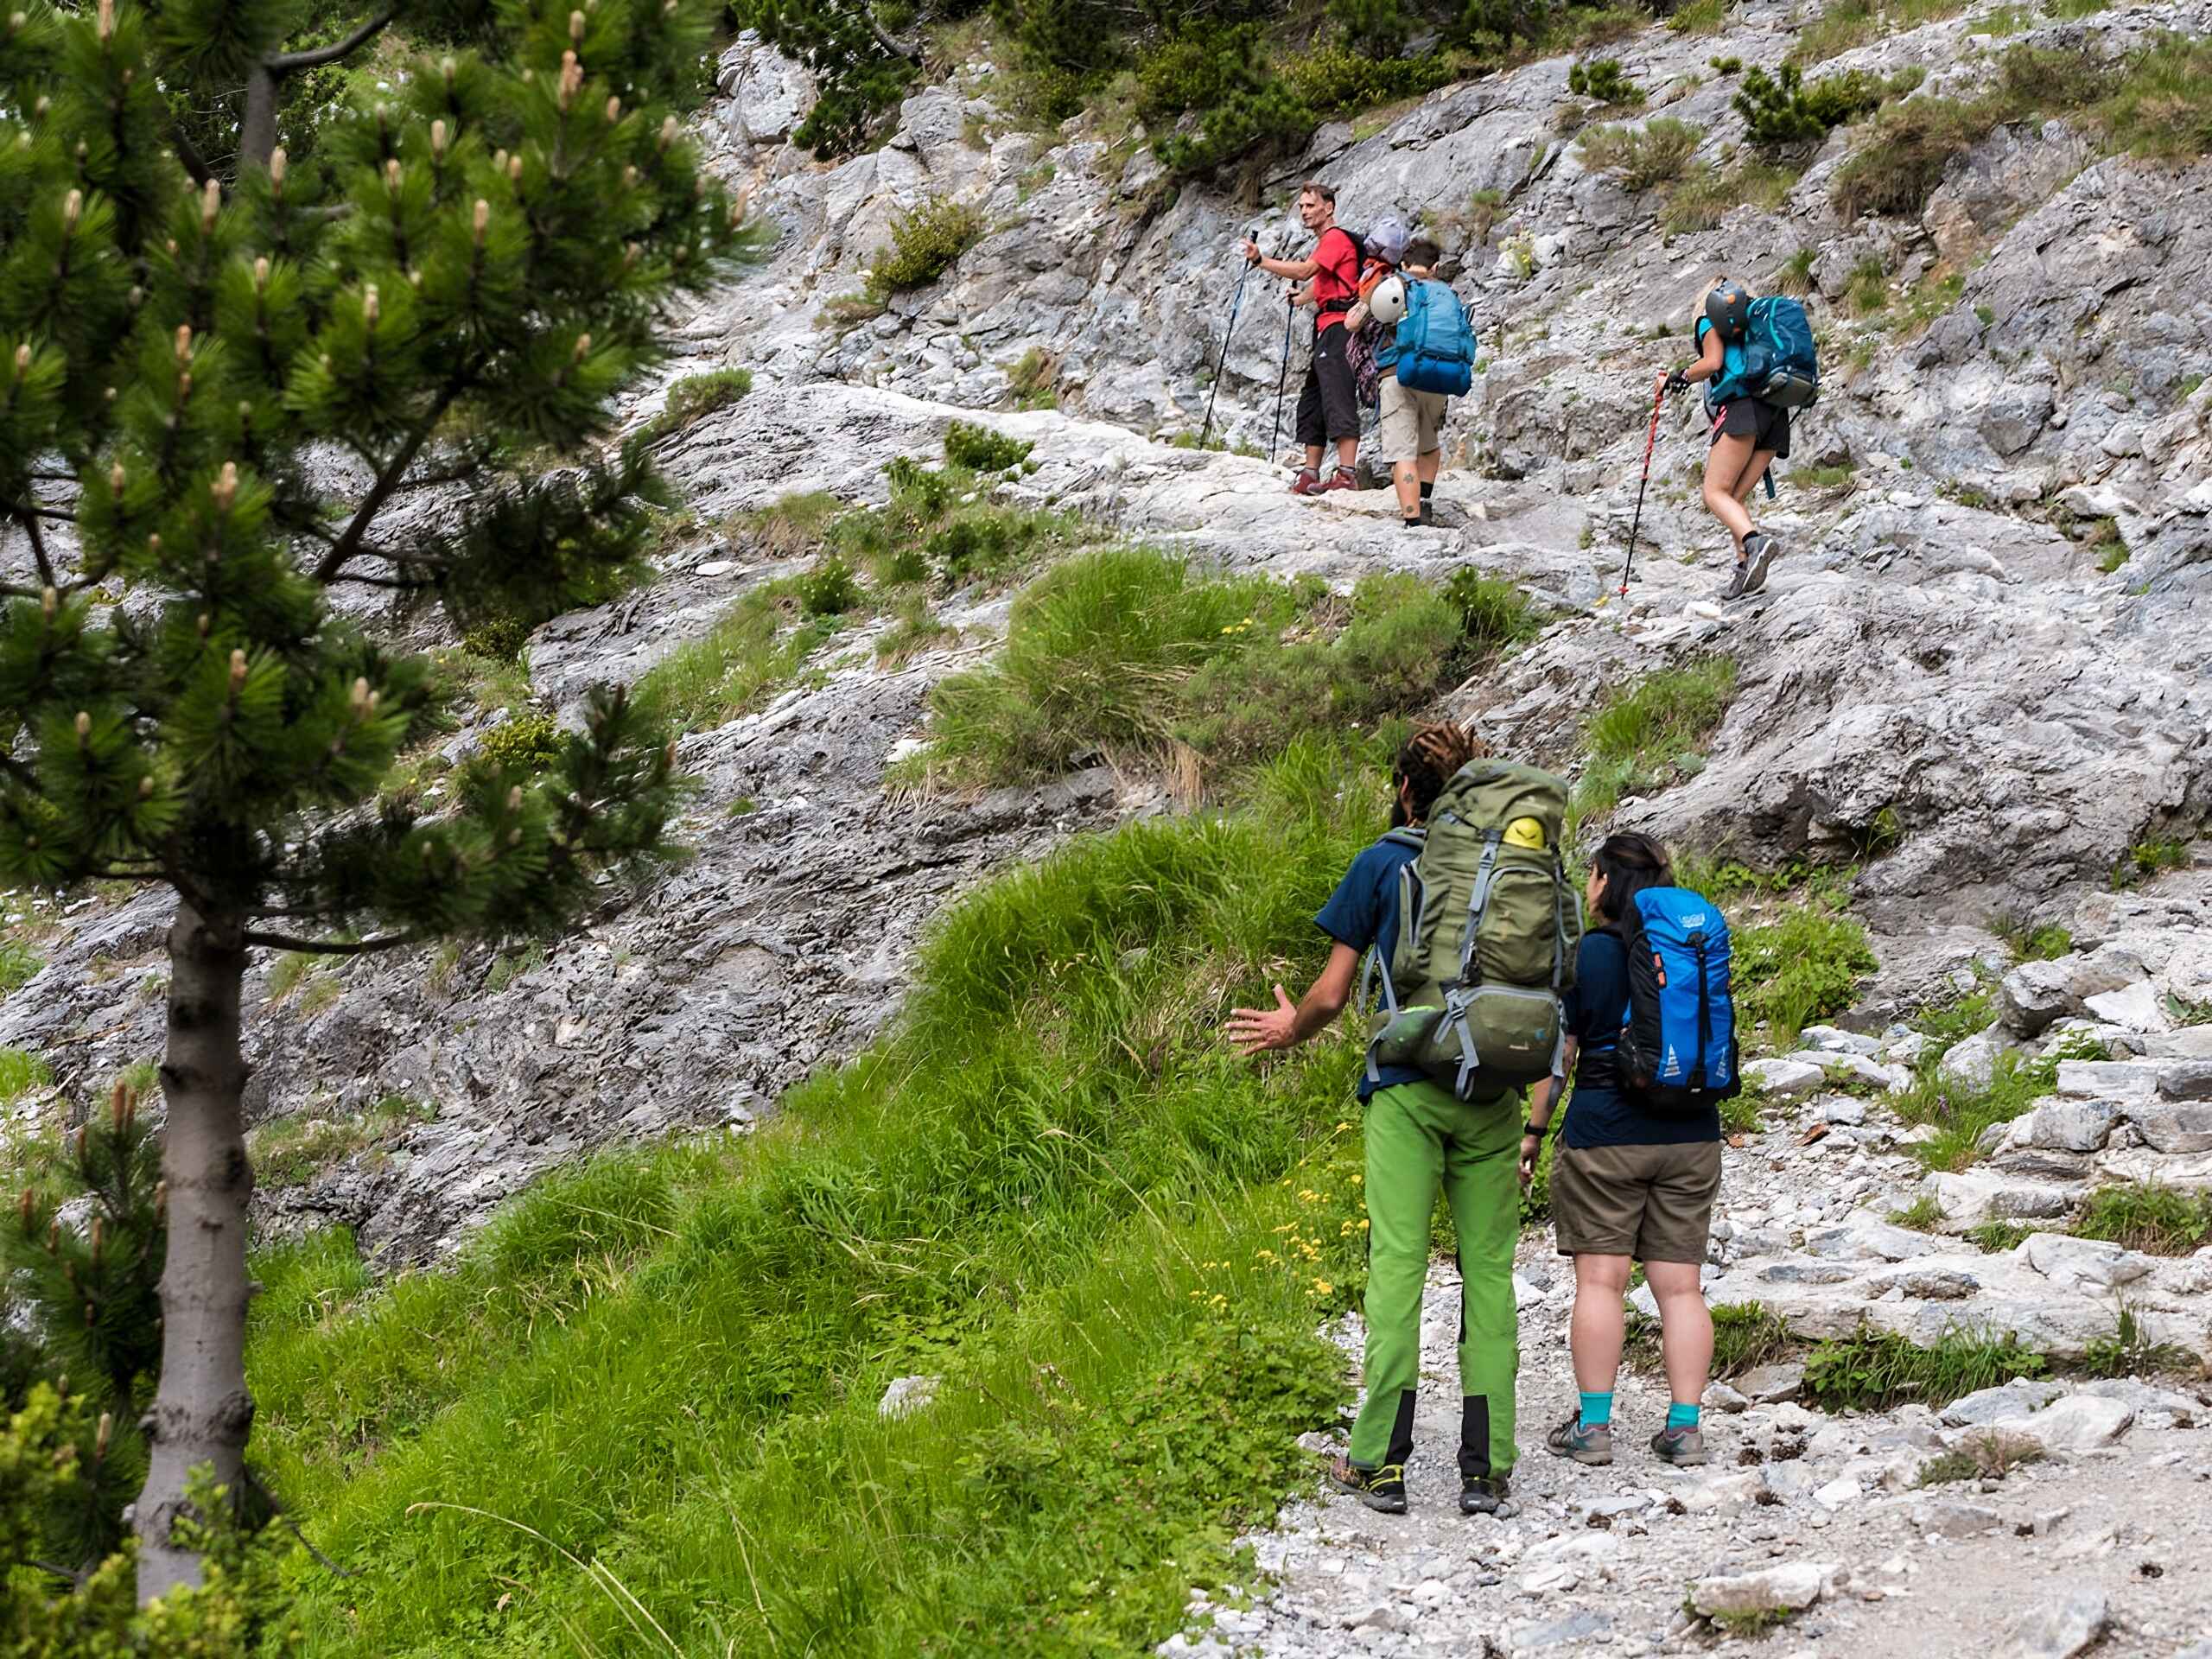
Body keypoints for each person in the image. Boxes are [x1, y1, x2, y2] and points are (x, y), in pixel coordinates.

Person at [1225, 724, 1522, 1518]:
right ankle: (1487, 1470)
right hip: (1493, 1092)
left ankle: (1379, 1465)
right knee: (1488, 1272)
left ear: (1404, 791)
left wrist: (1289, 1029)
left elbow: (1329, 994)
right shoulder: (1514, 868)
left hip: (1405, 1087)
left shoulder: (1384, 862)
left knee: (1398, 1264)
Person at [1521, 832, 1719, 1470]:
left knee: (1601, 1280)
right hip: (1691, 1133)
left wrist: (1532, 1131)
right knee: (1682, 1289)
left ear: (1603, 881)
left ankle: (1595, 1428)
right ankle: (1684, 1429)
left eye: (1591, 874)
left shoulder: (1590, 956)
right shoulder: (1690, 946)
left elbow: (1562, 1056)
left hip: (1605, 1133)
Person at [1663, 276, 1786, 601]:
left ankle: (1755, 541)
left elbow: (1713, 363)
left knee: (1714, 492)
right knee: (1732, 497)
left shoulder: (1708, 319)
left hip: (1742, 410)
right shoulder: (1758, 323)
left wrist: (1679, 378)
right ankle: (1746, 570)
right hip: (1776, 416)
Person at [1241, 183, 1362, 496]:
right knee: (1314, 399)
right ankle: (1311, 473)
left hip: (1339, 328)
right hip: (1328, 328)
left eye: (1310, 205)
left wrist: (1261, 261)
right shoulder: (1327, 244)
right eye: (1302, 207)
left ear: (1329, 207)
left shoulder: (1334, 238)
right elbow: (1323, 285)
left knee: (1337, 395)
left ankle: (1346, 473)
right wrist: (1303, 298)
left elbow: (1307, 270)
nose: (1305, 211)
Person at [1375, 237, 1448, 529]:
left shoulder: (1394, 285)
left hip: (1398, 373)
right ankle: (1425, 502)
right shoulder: (1446, 294)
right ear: (1436, 267)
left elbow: (1354, 322)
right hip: (1439, 376)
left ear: (1403, 265)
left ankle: (1413, 521)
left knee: (1402, 451)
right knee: (1428, 444)